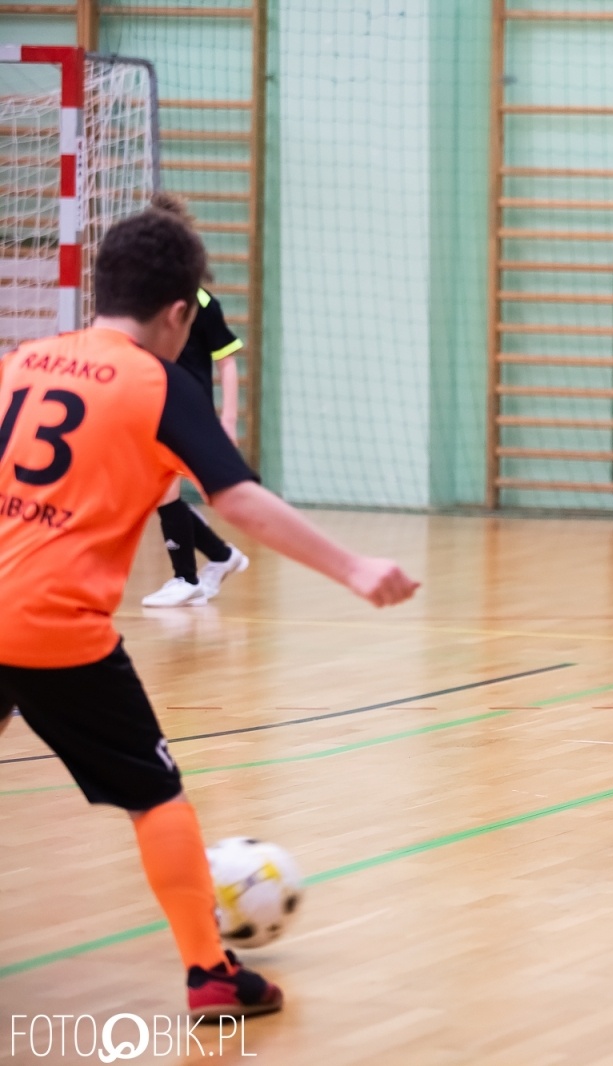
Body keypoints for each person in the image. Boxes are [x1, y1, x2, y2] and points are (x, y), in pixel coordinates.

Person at [0, 206, 419, 1017]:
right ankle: (210, 973)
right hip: (54, 627)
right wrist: (354, 567)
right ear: (178, 314)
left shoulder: (20, 362)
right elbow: (239, 500)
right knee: (156, 795)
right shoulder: (160, 385)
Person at [141, 192, 249, 608]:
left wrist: (228, 419)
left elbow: (227, 362)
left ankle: (186, 578)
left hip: (187, 410)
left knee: (165, 490)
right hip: (156, 405)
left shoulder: (201, 303)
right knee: (158, 492)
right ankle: (220, 556)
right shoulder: (148, 300)